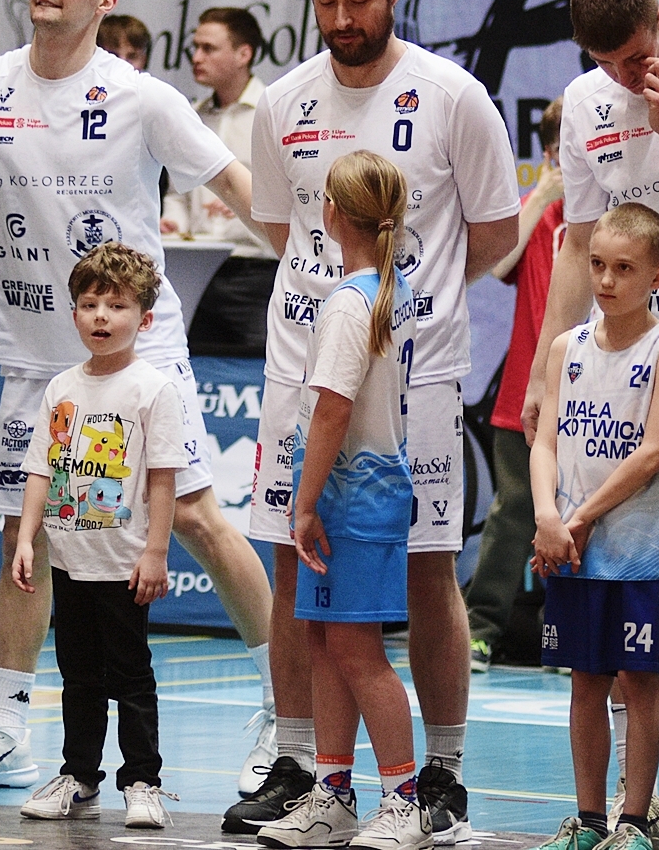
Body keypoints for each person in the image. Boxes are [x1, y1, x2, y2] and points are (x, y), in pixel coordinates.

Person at [0, 0, 277, 798]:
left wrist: (317, 260)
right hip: (35, 359)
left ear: (105, 2)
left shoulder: (140, 97)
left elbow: (235, 184)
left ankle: (283, 711)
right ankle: (8, 730)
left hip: (140, 354)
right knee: (24, 539)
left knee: (198, 518)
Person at [232, 0, 519, 841]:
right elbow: (281, 227)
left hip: (415, 377)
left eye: (359, 1)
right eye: (325, 2)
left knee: (428, 566)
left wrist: (396, 308)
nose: (342, 18)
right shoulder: (284, 101)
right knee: (294, 558)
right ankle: (305, 767)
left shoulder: (452, 95)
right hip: (300, 366)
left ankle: (440, 776)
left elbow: (496, 235)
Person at [520, 0, 659, 843]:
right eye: (604, 61)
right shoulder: (585, 102)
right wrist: (548, 368)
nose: (622, 74)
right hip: (619, 356)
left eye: (635, 55)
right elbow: (579, 244)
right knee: (622, 583)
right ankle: (626, 803)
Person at [256, 150, 429, 850]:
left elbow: (332, 409)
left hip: (354, 500)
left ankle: (405, 802)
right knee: (326, 644)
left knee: (358, 652)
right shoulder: (384, 289)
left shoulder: (351, 304)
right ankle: (333, 794)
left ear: (331, 213)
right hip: (353, 497)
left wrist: (304, 504)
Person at [9, 243, 185, 830]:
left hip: (124, 562)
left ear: (145, 319)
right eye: (89, 305)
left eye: (117, 306)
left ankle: (142, 781)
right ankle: (79, 774)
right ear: (74, 313)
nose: (101, 317)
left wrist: (156, 552)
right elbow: (41, 468)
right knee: (77, 675)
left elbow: (163, 479)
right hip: (69, 560)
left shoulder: (152, 390)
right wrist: (28, 538)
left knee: (131, 675)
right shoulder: (61, 387)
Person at [528, 201, 659, 850]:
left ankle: (634, 821)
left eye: (624, 268)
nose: (606, 280)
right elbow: (545, 442)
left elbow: (652, 451)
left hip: (642, 552)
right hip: (572, 548)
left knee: (640, 683)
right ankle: (587, 821)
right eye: (597, 265)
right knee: (584, 681)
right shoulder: (567, 348)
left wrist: (580, 517)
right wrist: (547, 517)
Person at [465, 97, 565, 673]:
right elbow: (499, 264)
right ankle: (480, 631)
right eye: (563, 148)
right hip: (524, 394)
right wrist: (543, 197)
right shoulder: (537, 212)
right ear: (550, 153)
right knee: (513, 513)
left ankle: (571, 635)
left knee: (586, 517)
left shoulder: (616, 213)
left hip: (597, 395)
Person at [162, 6, 278, 356]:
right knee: (193, 366)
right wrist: (174, 224)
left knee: (257, 371)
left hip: (256, 270)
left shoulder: (275, 111)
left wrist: (243, 204)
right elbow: (177, 192)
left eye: (208, 48)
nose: (196, 57)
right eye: (195, 47)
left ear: (244, 54)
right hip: (193, 269)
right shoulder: (192, 116)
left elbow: (292, 191)